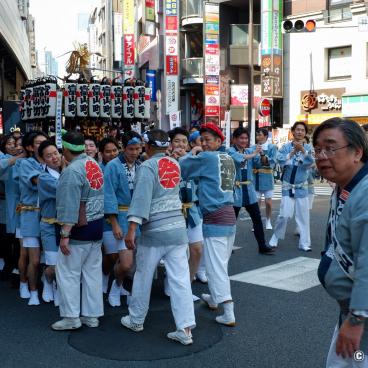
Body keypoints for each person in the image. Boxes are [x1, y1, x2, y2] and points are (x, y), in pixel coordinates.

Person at [121, 129, 195, 346]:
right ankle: (185, 328)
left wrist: (131, 230)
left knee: (144, 275)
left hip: (154, 230)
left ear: (147, 145)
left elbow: (141, 199)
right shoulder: (175, 164)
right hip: (178, 228)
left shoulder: (147, 166)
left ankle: (136, 319)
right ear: (167, 145)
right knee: (180, 280)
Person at [314, 118, 368, 367]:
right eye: (317, 149)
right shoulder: (346, 184)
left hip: (361, 319)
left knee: (357, 359)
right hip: (350, 313)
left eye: (330, 147)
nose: (322, 155)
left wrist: (357, 319)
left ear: (357, 152)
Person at [180, 122, 237, 327]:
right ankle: (214, 298)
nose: (203, 143)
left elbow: (182, 168)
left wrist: (192, 152)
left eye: (207, 140)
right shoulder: (228, 157)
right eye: (201, 140)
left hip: (215, 217)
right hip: (229, 215)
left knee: (215, 267)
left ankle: (228, 311)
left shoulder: (206, 157)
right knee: (220, 262)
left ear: (219, 141)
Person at [52, 131, 104, 331]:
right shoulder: (93, 164)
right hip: (97, 226)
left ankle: (71, 317)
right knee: (92, 273)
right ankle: (92, 315)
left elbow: (69, 204)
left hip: (79, 229)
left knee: (68, 273)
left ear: (65, 149)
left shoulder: (73, 170)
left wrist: (65, 234)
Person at [103, 131, 142, 306]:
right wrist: (114, 223)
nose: (134, 152)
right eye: (131, 149)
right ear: (123, 148)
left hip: (139, 217)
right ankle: (116, 285)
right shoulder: (113, 166)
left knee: (136, 262)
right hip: (121, 215)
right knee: (126, 263)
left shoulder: (141, 165)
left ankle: (126, 288)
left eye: (138, 148)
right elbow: (108, 194)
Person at [168, 127, 205, 299]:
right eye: (177, 141)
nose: (181, 145)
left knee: (196, 249)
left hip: (193, 209)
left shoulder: (194, 160)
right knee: (177, 253)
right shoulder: (166, 161)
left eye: (184, 142)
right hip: (173, 211)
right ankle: (172, 285)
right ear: (170, 144)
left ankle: (187, 285)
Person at [269, 122, 314, 252]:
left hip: (302, 186)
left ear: (305, 133)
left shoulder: (309, 148)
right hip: (288, 186)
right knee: (284, 214)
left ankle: (304, 243)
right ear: (293, 132)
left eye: (302, 130)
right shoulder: (285, 147)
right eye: (297, 130)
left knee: (303, 216)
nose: (300, 132)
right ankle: (275, 237)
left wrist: (303, 151)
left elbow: (311, 162)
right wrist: (293, 152)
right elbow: (280, 160)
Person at [228, 128, 274, 255]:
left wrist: (262, 153)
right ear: (234, 139)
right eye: (241, 138)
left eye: (246, 138)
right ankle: (228, 246)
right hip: (236, 191)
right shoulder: (230, 151)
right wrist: (254, 153)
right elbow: (239, 159)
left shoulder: (249, 150)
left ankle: (262, 246)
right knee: (231, 221)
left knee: (257, 218)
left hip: (249, 190)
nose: (244, 140)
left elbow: (261, 163)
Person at [18, 131, 48, 305]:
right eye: (38, 143)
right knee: (33, 259)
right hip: (30, 213)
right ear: (29, 147)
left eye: (45, 142)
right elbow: (40, 182)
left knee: (51, 256)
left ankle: (49, 285)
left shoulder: (53, 161)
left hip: (50, 214)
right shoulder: (26, 164)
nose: (43, 145)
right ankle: (31, 289)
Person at [37, 141, 63, 305]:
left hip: (67, 226)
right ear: (42, 159)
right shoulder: (44, 177)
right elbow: (63, 189)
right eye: (49, 155)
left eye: (55, 153)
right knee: (53, 265)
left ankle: (59, 288)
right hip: (49, 225)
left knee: (64, 264)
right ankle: (47, 280)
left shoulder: (67, 171)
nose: (54, 157)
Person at [0, 135, 25, 281]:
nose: (14, 146)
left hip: (29, 207)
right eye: (11, 144)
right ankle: (14, 267)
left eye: (17, 144)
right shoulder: (7, 161)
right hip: (13, 206)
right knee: (12, 238)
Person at [253, 128, 277, 230]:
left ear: (266, 136)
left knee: (268, 202)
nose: (257, 136)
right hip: (256, 178)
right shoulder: (254, 147)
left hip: (267, 178)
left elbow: (272, 161)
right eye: (257, 134)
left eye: (259, 134)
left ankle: (268, 220)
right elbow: (253, 161)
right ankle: (256, 223)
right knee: (256, 203)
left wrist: (263, 158)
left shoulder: (272, 147)